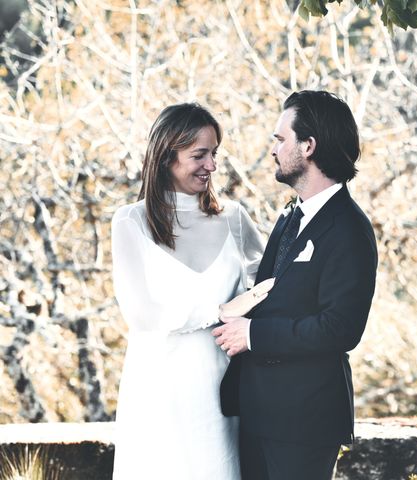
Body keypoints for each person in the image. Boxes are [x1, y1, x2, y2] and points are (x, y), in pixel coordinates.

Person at [214, 90, 378, 480]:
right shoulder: (290, 218)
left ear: (308, 146)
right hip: (258, 414)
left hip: (305, 421)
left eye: (280, 139)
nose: (273, 150)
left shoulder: (350, 230)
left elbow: (341, 329)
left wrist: (253, 335)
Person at [110, 103, 273, 480]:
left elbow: (265, 291)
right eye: (199, 155)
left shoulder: (234, 218)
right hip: (158, 392)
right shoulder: (130, 222)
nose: (212, 166)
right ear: (167, 156)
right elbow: (142, 315)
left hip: (222, 393)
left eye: (214, 153)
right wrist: (223, 310)